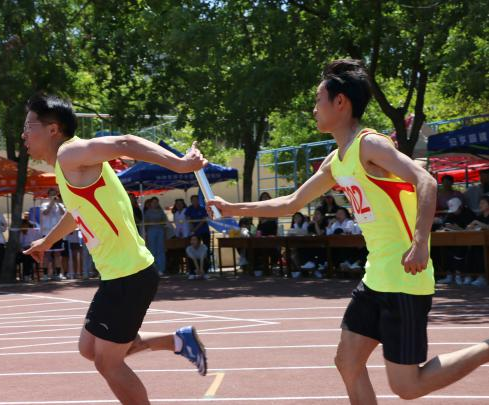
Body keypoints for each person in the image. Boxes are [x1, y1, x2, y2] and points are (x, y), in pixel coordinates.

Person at [209, 59, 489, 403]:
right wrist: (232, 208)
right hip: (375, 278)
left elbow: (425, 180)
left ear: (340, 102)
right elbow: (292, 202)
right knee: (347, 362)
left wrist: (420, 243)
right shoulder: (336, 160)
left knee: (407, 386)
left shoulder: (370, 145)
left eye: (318, 100)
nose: (314, 109)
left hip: (404, 278)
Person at [21, 94, 207, 405]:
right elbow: (77, 212)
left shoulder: (70, 153)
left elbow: (124, 143)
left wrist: (180, 165)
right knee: (90, 349)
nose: (23, 135)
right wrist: (48, 241)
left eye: (29, 126)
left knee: (108, 362)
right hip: (117, 275)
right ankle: (178, 340)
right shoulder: (66, 168)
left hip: (129, 274)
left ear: (53, 129)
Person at [436, 197, 476, 286]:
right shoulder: (451, 214)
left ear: (460, 207)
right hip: (451, 240)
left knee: (460, 251)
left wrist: (458, 228)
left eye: (456, 209)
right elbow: (444, 223)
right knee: (445, 250)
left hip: (467, 241)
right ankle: (449, 275)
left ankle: (459, 275)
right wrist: (446, 226)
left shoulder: (468, 213)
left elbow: (471, 228)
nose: (454, 212)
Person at [40, 188, 65, 281]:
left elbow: (64, 213)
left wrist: (58, 203)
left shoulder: (60, 205)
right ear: (48, 195)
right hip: (47, 233)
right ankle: (45, 274)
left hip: (57, 232)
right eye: (51, 194)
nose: (53, 196)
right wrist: (51, 203)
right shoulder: (44, 205)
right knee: (47, 254)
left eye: (54, 194)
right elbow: (45, 212)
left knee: (57, 253)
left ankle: (57, 274)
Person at [143, 196, 168, 275]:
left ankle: (161, 269)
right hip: (151, 231)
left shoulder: (161, 212)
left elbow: (165, 222)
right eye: (153, 202)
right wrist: (146, 234)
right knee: (152, 250)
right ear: (151, 203)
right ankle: (154, 269)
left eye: (156, 202)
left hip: (160, 231)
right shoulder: (147, 212)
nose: (155, 204)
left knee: (160, 250)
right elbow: (145, 224)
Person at [185, 195, 211, 265]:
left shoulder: (203, 208)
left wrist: (196, 228)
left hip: (204, 231)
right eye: (193, 200)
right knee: (193, 248)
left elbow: (204, 219)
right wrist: (192, 227)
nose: (195, 201)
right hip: (195, 233)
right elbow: (188, 218)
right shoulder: (189, 209)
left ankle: (207, 265)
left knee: (206, 247)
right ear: (191, 201)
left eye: (196, 200)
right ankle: (195, 266)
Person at [19, 211, 40, 282]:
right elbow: (20, 242)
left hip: (33, 247)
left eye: (28, 216)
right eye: (25, 216)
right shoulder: (22, 227)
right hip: (24, 249)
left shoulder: (35, 226)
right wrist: (22, 249)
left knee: (30, 255)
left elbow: (38, 238)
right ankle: (26, 275)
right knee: (26, 255)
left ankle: (28, 274)